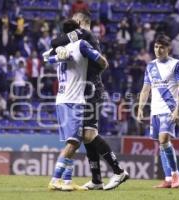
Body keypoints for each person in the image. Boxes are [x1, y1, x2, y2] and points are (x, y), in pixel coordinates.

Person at [48, 11, 129, 191]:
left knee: (88, 135)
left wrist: (57, 47)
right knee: (85, 136)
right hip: (84, 91)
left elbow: (54, 43)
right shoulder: (86, 39)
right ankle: (96, 179)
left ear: (79, 23)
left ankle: (118, 171)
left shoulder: (84, 35)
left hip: (90, 90)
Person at [46, 19, 108, 191]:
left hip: (62, 98)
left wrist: (58, 53)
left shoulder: (59, 50)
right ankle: (55, 179)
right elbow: (100, 60)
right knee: (73, 142)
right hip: (74, 99)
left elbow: (48, 58)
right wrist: (103, 63)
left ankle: (67, 181)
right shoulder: (81, 44)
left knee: (74, 141)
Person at [137, 35, 179, 189]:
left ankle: (175, 175)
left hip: (170, 109)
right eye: (156, 47)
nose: (158, 50)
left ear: (168, 48)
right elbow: (146, 89)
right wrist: (140, 108)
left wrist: (178, 109)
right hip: (155, 110)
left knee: (164, 139)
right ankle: (167, 179)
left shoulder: (177, 64)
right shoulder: (150, 66)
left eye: (162, 47)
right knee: (162, 144)